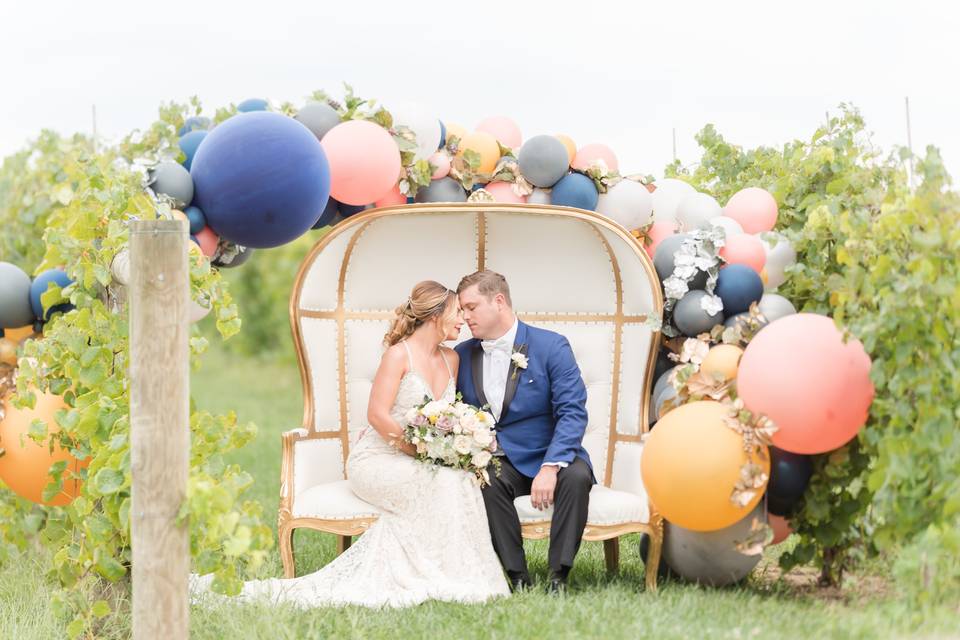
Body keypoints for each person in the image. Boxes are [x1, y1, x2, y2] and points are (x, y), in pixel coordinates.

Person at [190, 281, 509, 608]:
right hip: (378, 459)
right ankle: (433, 574)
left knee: (458, 479)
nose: (462, 321)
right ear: (436, 314)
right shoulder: (399, 355)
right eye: (458, 312)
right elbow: (377, 415)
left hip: (422, 459)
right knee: (442, 481)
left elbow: (448, 414)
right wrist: (421, 452)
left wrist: (452, 445)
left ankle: (453, 573)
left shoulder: (450, 359)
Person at [455, 270, 593, 593]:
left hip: (553, 454)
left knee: (576, 477)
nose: (465, 316)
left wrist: (551, 465)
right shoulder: (462, 355)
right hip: (503, 459)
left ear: (499, 301)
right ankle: (518, 578)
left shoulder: (551, 346)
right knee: (486, 478)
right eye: (462, 309)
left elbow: (572, 412)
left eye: (471, 307)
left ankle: (558, 576)